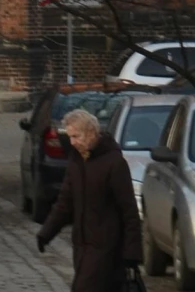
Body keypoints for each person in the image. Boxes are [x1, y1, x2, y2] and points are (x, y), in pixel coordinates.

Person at [36, 107, 143, 292]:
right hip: (81, 245)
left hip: (107, 247)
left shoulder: (114, 163)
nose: (72, 142)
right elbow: (65, 202)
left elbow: (129, 211)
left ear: (92, 133)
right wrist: (47, 232)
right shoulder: (76, 161)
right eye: (70, 137)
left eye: (76, 136)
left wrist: (132, 253)